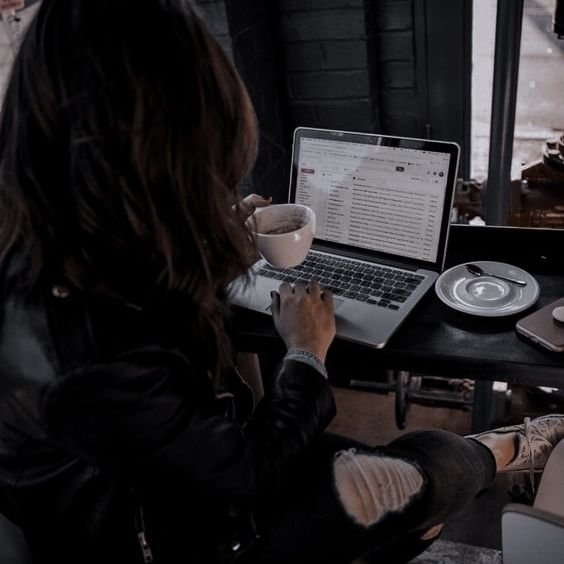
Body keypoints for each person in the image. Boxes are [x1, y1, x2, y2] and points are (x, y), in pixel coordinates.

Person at [0, 1, 563, 563]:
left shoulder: (61, 237)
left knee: (398, 487)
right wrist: (305, 355)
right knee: (406, 488)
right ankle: (506, 447)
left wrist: (213, 248)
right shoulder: (82, 355)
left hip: (186, 470)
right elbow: (252, 475)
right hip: (162, 532)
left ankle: (462, 477)